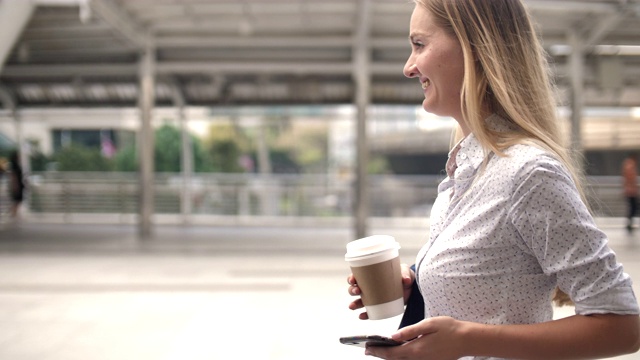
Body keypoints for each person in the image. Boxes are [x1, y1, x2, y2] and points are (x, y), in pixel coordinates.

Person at [347, 0, 640, 359]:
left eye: (419, 44)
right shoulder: (467, 170)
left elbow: (623, 325)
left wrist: (469, 339)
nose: (409, 67)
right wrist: (421, 283)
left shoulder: (529, 174)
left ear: (473, 46)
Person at [623, 153, 638, 233]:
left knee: (632, 207)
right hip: (631, 191)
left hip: (629, 190)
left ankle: (629, 223)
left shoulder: (627, 164)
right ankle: (629, 224)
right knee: (633, 207)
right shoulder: (630, 165)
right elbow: (631, 178)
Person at [8, 151, 25, 218]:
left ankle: (14, 213)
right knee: (17, 200)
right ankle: (13, 213)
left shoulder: (16, 164)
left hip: (19, 183)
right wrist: (15, 185)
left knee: (18, 200)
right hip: (17, 184)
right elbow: (13, 176)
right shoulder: (14, 165)